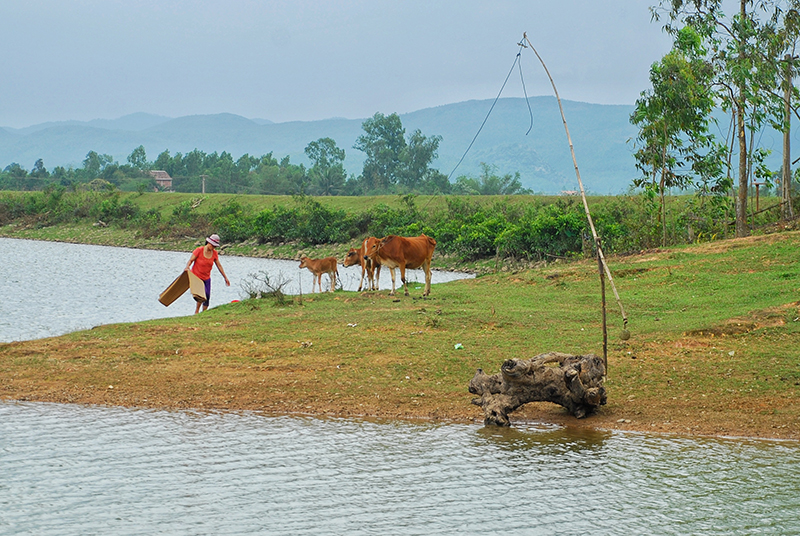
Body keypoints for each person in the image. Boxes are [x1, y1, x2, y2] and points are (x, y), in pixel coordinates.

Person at [185, 233, 230, 314]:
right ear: (208, 243)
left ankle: (204, 313)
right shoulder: (199, 250)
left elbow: (219, 265)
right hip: (197, 276)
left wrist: (225, 277)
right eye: (212, 246)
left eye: (215, 247)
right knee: (201, 295)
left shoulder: (214, 253)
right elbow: (190, 260)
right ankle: (197, 312)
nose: (213, 248)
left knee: (207, 295)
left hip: (206, 278)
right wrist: (187, 267)